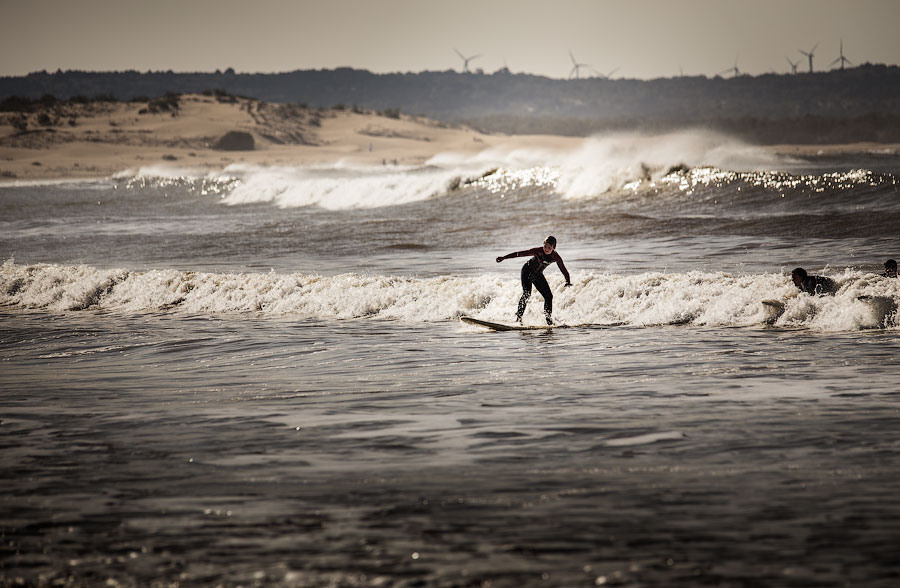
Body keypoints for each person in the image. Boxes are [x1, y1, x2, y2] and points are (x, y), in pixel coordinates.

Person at [496, 236, 572, 324]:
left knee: (549, 296)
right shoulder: (538, 251)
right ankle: (518, 318)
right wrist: (504, 257)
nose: (546, 249)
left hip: (538, 274)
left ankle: (548, 319)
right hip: (527, 271)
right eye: (545, 246)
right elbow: (519, 254)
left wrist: (568, 281)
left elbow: (563, 269)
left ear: (553, 248)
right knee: (527, 294)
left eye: (549, 248)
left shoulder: (556, 257)